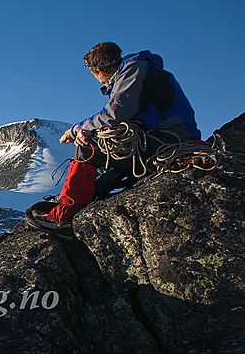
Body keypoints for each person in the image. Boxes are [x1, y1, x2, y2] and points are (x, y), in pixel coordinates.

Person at [36, 42, 201, 229]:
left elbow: (116, 113)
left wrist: (77, 130)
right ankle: (83, 198)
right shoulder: (137, 69)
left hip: (169, 140)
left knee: (88, 147)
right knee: (109, 142)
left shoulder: (134, 69)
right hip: (165, 136)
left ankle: (65, 215)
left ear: (98, 71)